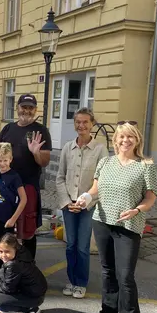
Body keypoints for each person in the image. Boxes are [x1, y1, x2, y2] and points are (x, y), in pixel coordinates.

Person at [76, 121, 157, 313]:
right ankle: (109, 309)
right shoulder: (105, 162)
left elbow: (150, 197)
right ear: (115, 140)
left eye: (130, 137)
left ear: (137, 140)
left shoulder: (146, 165)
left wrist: (137, 210)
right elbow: (95, 189)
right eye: (122, 137)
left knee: (125, 274)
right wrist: (85, 199)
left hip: (129, 225)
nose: (125, 140)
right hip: (102, 220)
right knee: (107, 270)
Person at [0, 93, 52, 267]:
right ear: (18, 108)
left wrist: (35, 152)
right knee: (0, 225)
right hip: (5, 184)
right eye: (24, 107)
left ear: (35, 110)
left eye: (30, 108)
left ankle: (28, 265)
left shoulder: (41, 131)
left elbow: (44, 161)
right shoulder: (8, 129)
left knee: (26, 229)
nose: (26, 111)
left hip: (27, 186)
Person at [56, 108, 108, 299]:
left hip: (88, 206)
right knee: (70, 245)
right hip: (69, 206)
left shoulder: (100, 150)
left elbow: (102, 180)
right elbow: (60, 177)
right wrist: (66, 201)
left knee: (82, 246)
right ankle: (71, 280)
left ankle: (81, 282)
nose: (81, 126)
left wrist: (86, 201)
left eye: (85, 122)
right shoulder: (68, 148)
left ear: (92, 124)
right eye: (78, 122)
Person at [0, 234, 47, 313]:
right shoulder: (21, 252)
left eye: (7, 251)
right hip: (35, 290)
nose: (3, 255)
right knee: (1, 275)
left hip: (34, 296)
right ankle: (19, 305)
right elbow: (2, 269)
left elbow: (8, 288)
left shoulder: (14, 265)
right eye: (1, 251)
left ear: (15, 249)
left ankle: (31, 309)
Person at [0, 142, 27, 274]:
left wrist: (13, 219)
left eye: (5, 160)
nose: (2, 163)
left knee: (7, 246)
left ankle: (7, 269)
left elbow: (23, 199)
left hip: (6, 218)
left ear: (11, 159)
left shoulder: (14, 176)